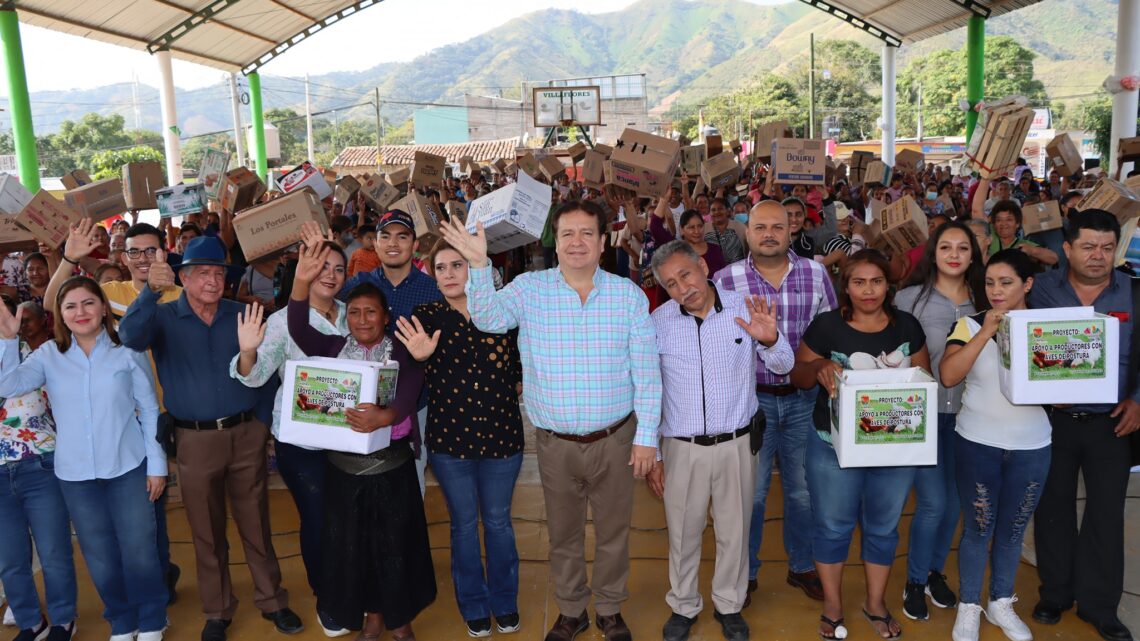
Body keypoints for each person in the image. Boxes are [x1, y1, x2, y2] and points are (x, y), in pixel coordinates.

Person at [439, 201, 662, 641]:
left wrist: (647, 439)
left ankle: (611, 609)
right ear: (554, 242)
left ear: (603, 242)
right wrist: (480, 265)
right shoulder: (528, 290)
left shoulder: (628, 297)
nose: (576, 242)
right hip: (555, 443)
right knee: (563, 534)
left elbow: (647, 374)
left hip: (616, 440)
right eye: (567, 234)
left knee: (615, 532)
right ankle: (573, 609)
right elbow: (488, 319)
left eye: (586, 234)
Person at [119, 238, 301, 641]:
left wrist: (262, 423)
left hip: (245, 433)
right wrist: (149, 290)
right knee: (206, 531)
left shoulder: (244, 314)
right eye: (202, 273)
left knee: (256, 523)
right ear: (182, 278)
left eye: (219, 273)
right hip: (194, 439)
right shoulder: (163, 317)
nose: (213, 280)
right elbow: (130, 336)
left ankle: (273, 600)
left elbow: (270, 371)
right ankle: (217, 610)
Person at [282, 238, 434, 641]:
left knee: (395, 548)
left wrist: (387, 415)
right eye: (354, 313)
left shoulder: (401, 350)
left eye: (371, 312)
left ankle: (400, 620)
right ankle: (373, 617)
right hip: (345, 474)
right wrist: (300, 281)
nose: (362, 320)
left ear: (385, 317)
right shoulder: (333, 349)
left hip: (392, 469)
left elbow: (412, 385)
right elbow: (297, 325)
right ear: (346, 318)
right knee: (357, 550)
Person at [0, 278, 167, 641]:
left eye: (88, 303)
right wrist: (9, 339)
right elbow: (7, 386)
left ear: (103, 307)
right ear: (59, 315)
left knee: (139, 549)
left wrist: (157, 465)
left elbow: (150, 408)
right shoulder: (48, 355)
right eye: (71, 306)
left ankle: (152, 618)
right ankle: (122, 621)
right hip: (75, 475)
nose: (81, 312)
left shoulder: (127, 348)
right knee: (100, 555)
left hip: (128, 466)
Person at [647, 240, 793, 641]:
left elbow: (784, 366)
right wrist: (654, 453)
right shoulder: (658, 323)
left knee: (735, 530)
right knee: (682, 532)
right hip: (682, 447)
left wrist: (770, 339)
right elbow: (648, 389)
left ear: (703, 265)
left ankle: (729, 604)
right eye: (672, 283)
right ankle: (684, 604)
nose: (683, 288)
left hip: (736, 445)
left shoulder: (746, 309)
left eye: (686, 274)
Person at [790, 249, 931, 640]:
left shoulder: (907, 326)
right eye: (858, 282)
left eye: (876, 281)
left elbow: (925, 380)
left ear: (889, 285)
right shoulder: (825, 327)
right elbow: (797, 377)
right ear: (845, 287)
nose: (868, 290)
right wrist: (817, 368)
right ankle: (833, 606)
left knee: (883, 528)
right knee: (833, 526)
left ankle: (875, 603)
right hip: (831, 446)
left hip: (894, 447)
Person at [42, 219, 183, 603]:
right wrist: (69, 258)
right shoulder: (107, 294)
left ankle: (158, 574)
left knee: (153, 507)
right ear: (124, 257)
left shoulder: (179, 297)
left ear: (164, 252)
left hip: (164, 412)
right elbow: (53, 304)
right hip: (117, 416)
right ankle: (152, 579)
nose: (143, 258)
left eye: (151, 250)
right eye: (134, 251)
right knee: (136, 512)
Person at [393, 240, 524, 638]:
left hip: (502, 439)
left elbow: (519, 373)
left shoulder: (503, 313)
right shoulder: (426, 316)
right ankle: (474, 604)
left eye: (458, 265)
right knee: (465, 525)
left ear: (475, 270)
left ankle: (504, 600)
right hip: (451, 442)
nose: (449, 274)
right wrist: (416, 357)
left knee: (499, 523)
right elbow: (407, 373)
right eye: (441, 267)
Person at [714, 200, 837, 605]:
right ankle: (744, 573)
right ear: (747, 234)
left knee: (803, 492)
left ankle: (801, 566)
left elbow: (832, 333)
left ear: (791, 230)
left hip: (805, 400)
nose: (769, 234)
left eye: (778, 227)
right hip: (750, 404)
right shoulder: (725, 280)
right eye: (760, 226)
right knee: (751, 493)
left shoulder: (817, 275)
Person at [229, 235, 350, 638]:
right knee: (318, 520)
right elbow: (255, 374)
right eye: (321, 266)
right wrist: (248, 351)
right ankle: (328, 598)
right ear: (303, 270)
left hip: (350, 441)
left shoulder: (355, 315)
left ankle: (354, 588)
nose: (329, 275)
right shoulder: (282, 322)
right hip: (302, 444)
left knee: (349, 519)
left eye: (338, 268)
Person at [1029, 210, 1139, 641]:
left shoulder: (1133, 293)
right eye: (1089, 246)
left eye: (1108, 247)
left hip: (1112, 424)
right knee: (1052, 509)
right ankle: (1055, 594)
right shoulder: (1039, 292)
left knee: (1106, 515)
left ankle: (1099, 606)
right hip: (1052, 423)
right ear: (1067, 249)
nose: (1098, 256)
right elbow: (1017, 349)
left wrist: (1139, 403)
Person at [939, 249, 1051, 641]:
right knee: (978, 528)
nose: (997, 291)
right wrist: (987, 330)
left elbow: (1068, 390)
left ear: (1027, 284)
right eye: (989, 283)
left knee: (1013, 530)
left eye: (1006, 282)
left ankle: (1001, 601)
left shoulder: (1047, 326)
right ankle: (969, 604)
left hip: (1032, 445)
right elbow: (949, 376)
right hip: (978, 443)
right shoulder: (968, 325)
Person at [894, 221, 986, 621]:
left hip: (970, 417)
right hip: (924, 417)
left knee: (954, 506)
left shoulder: (986, 300)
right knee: (932, 503)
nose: (953, 254)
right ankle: (914, 581)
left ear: (972, 255)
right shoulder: (908, 299)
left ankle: (934, 573)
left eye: (962, 248)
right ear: (932, 254)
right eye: (945, 247)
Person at [340, 210, 443, 493]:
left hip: (416, 403)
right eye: (385, 236)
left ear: (415, 245)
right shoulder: (359, 286)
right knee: (362, 481)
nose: (393, 243)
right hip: (362, 404)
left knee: (412, 481)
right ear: (375, 243)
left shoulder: (433, 291)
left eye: (402, 236)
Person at [0, 296, 77, 641]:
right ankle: (32, 623)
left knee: (54, 551)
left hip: (39, 466)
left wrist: (8, 341)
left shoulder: (46, 356)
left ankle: (63, 620)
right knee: (10, 559)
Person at [704, 198, 747, 264]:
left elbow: (748, 249)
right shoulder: (704, 228)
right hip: (714, 272)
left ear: (728, 211)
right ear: (710, 213)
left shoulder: (740, 227)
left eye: (720, 209)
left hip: (738, 270)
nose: (716, 212)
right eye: (713, 210)